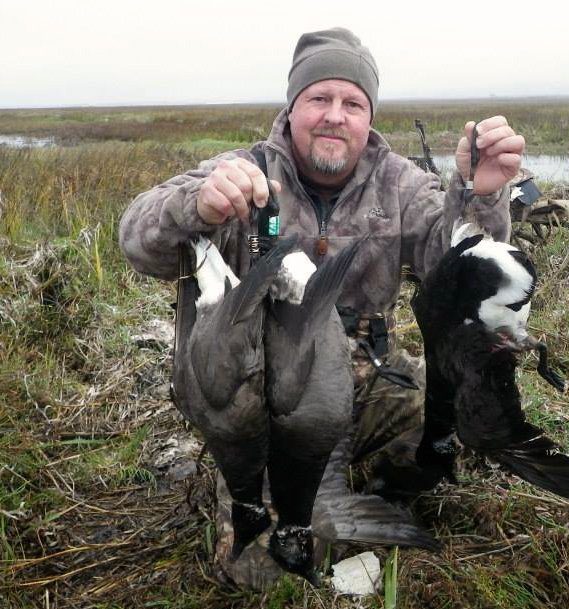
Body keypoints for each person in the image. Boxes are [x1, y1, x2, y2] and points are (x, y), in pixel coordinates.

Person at [119, 27, 525, 585]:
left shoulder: (400, 183)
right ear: (292, 108)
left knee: (454, 420)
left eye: (352, 103)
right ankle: (286, 493)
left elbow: (459, 272)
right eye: (319, 98)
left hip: (365, 376)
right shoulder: (243, 170)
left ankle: (368, 494)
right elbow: (136, 238)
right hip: (266, 399)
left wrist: (482, 195)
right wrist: (198, 205)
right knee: (264, 573)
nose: (335, 115)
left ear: (368, 117)